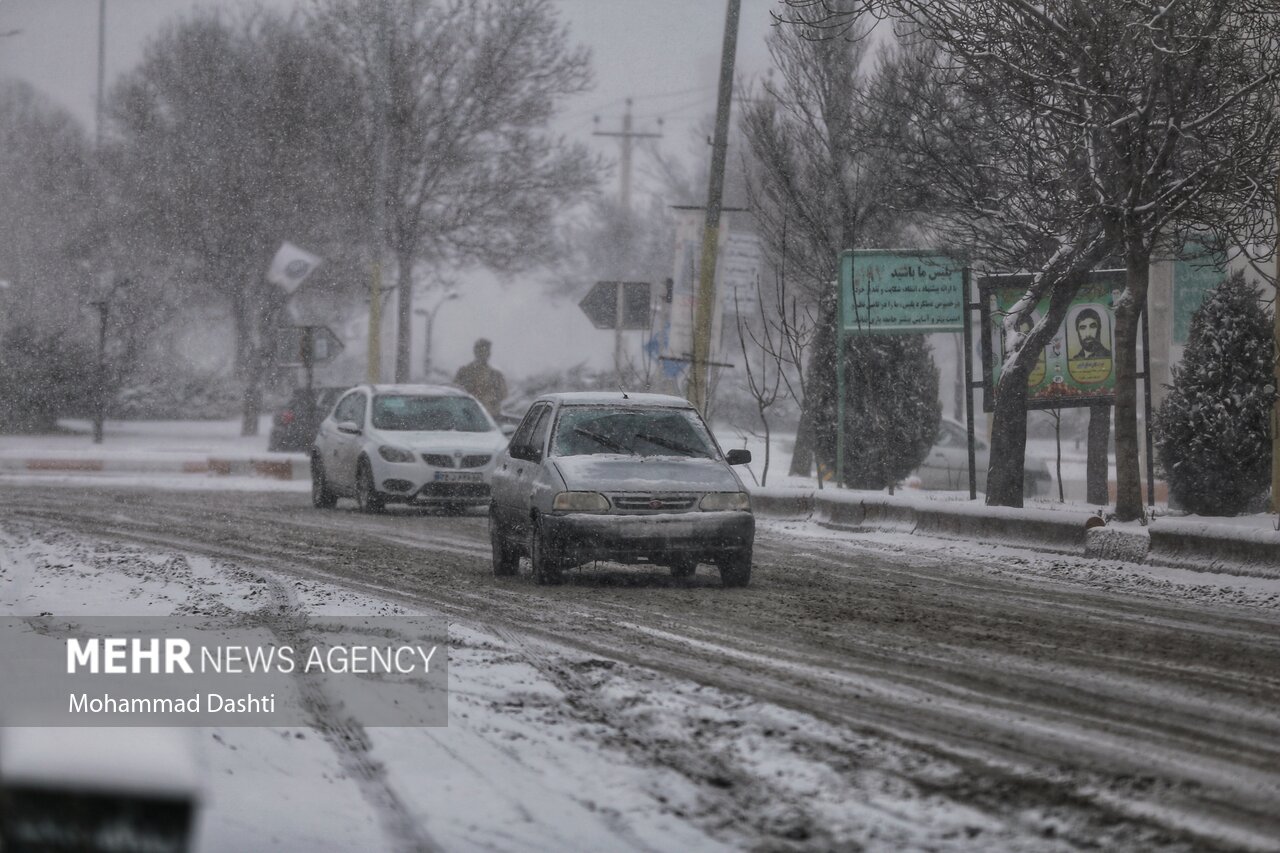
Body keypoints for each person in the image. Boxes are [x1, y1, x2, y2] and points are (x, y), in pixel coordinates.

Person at [454, 338, 507, 417]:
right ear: (475, 352)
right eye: (481, 350)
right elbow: (455, 392)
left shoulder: (495, 375)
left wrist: (490, 398)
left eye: (486, 350)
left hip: (489, 418)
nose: (484, 354)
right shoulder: (464, 372)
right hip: (469, 416)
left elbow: (503, 394)